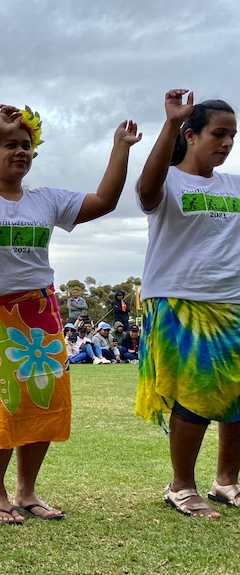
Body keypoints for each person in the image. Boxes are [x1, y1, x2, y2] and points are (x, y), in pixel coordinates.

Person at [0, 103, 141, 523]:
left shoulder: (46, 200)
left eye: (26, 145)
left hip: (39, 315)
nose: (20, 151)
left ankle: (27, 491)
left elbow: (104, 201)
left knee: (42, 404)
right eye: (9, 144)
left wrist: (120, 147)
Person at [135, 90, 240, 518]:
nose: (227, 143)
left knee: (237, 396)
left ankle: (226, 481)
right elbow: (145, 192)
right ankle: (181, 486)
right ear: (191, 135)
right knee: (196, 394)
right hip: (181, 300)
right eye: (219, 133)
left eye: (233, 136)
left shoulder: (235, 186)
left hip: (232, 302)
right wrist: (169, 123)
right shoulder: (169, 180)